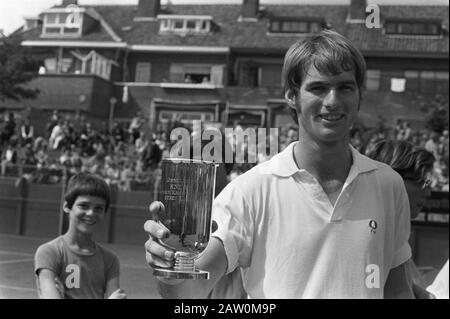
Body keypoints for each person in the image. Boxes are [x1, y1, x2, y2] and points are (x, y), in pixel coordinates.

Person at [144, 30, 413, 298]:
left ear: (358, 95)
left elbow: (398, 291)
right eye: (318, 88)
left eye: (345, 87)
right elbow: (188, 293)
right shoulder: (249, 190)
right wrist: (172, 263)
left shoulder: (388, 184)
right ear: (291, 96)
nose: (333, 101)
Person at [34, 172, 126, 299]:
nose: (90, 213)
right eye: (83, 205)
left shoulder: (110, 260)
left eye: (98, 208)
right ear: (67, 206)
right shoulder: (49, 252)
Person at [365, 140, 436, 299]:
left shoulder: (393, 236)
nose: (428, 192)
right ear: (391, 176)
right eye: (421, 182)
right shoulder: (366, 238)